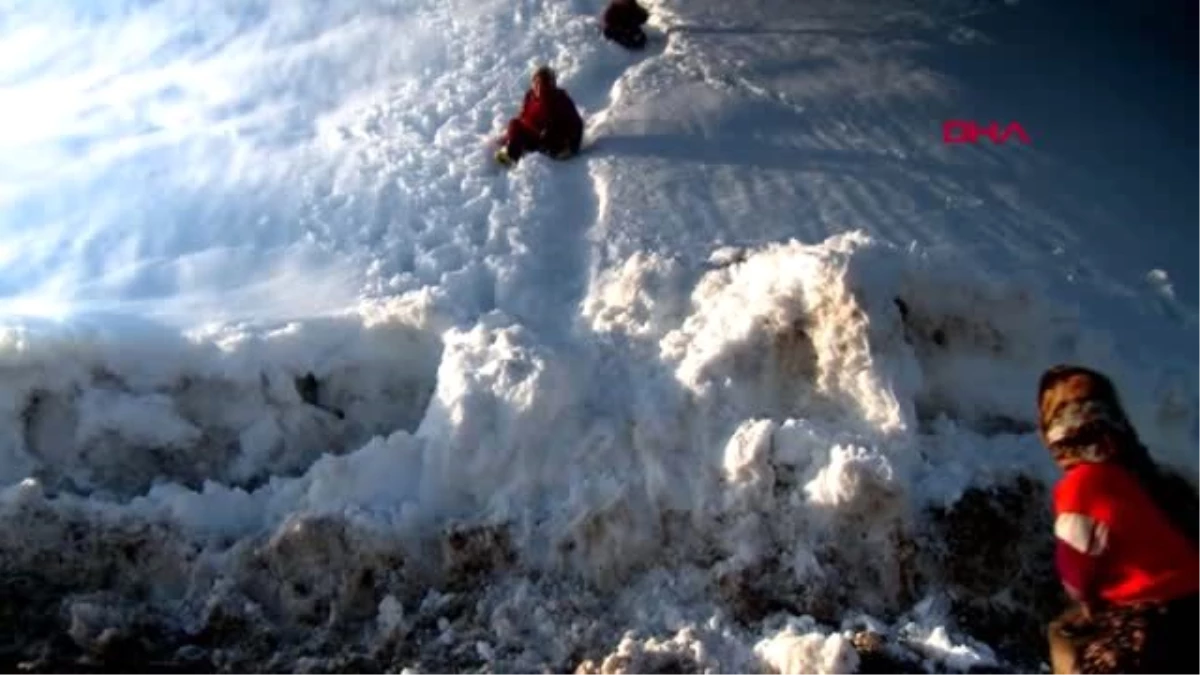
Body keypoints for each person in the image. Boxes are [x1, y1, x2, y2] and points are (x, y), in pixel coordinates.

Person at [1037, 365, 1200, 674]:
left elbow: (1076, 571)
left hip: (1149, 625)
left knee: (1064, 637)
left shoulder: (1082, 486)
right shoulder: (1151, 475)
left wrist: (1084, 602)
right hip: (1191, 612)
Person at [495, 66, 584, 168]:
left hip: (555, 141)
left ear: (552, 84)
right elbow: (522, 118)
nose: (541, 88)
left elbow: (577, 124)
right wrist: (509, 137)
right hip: (536, 137)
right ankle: (511, 156)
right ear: (533, 84)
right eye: (537, 83)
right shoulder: (530, 96)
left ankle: (545, 156)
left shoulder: (561, 99)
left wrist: (572, 147)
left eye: (546, 83)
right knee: (515, 123)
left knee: (551, 130)